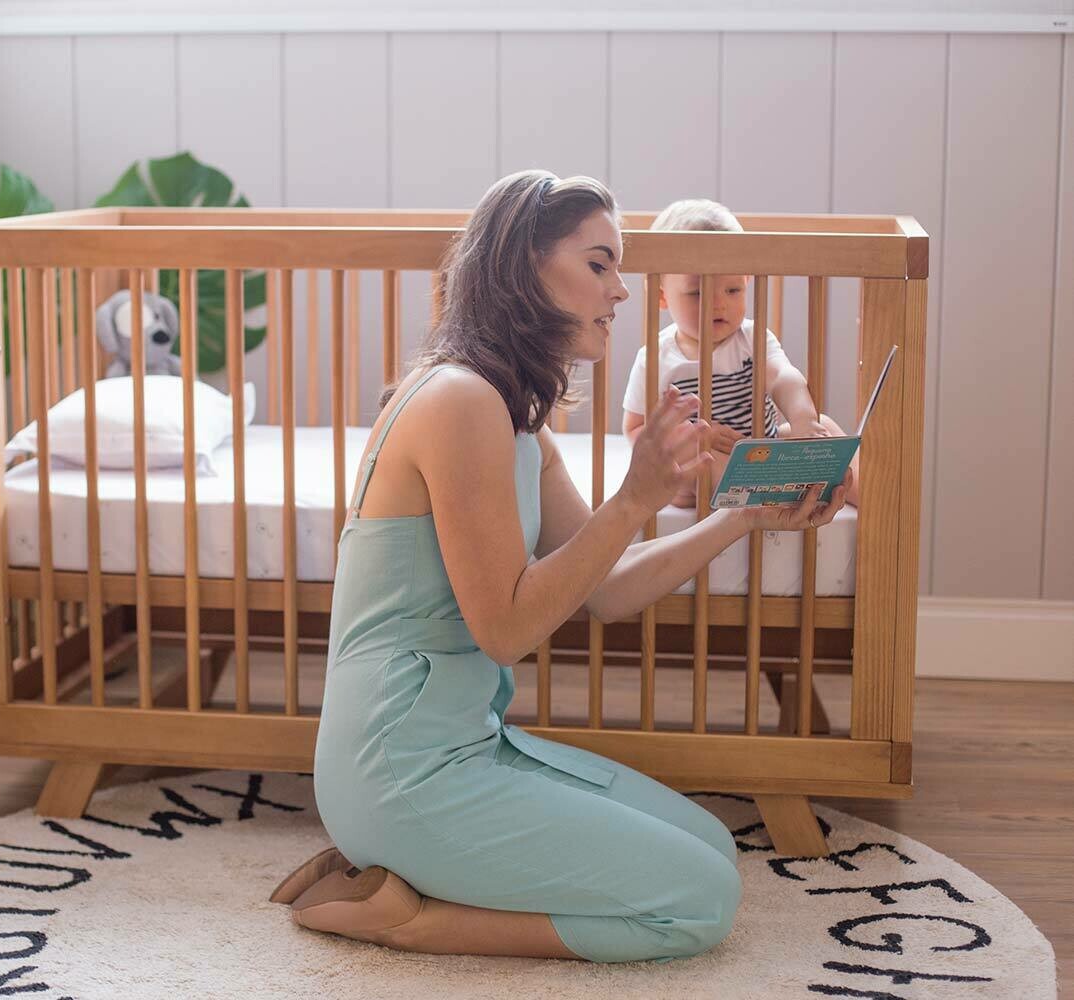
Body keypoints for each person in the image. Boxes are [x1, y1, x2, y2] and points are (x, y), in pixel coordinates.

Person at [269, 172, 849, 963]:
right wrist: (635, 498)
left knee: (710, 844)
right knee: (698, 904)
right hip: (402, 767)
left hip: (467, 744)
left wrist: (739, 514)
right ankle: (405, 916)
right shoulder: (458, 401)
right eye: (601, 265)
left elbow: (605, 590)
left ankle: (403, 869)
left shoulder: (513, 418)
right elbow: (505, 629)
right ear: (524, 271)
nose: (622, 292)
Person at [621, 198, 861, 508]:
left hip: (764, 447)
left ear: (748, 281)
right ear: (661, 296)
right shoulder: (656, 357)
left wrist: (803, 420)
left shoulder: (752, 339)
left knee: (825, 427)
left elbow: (784, 378)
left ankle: (871, 507)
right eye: (697, 293)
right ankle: (775, 494)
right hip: (706, 459)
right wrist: (693, 438)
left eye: (732, 290)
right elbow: (635, 429)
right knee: (701, 467)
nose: (718, 303)